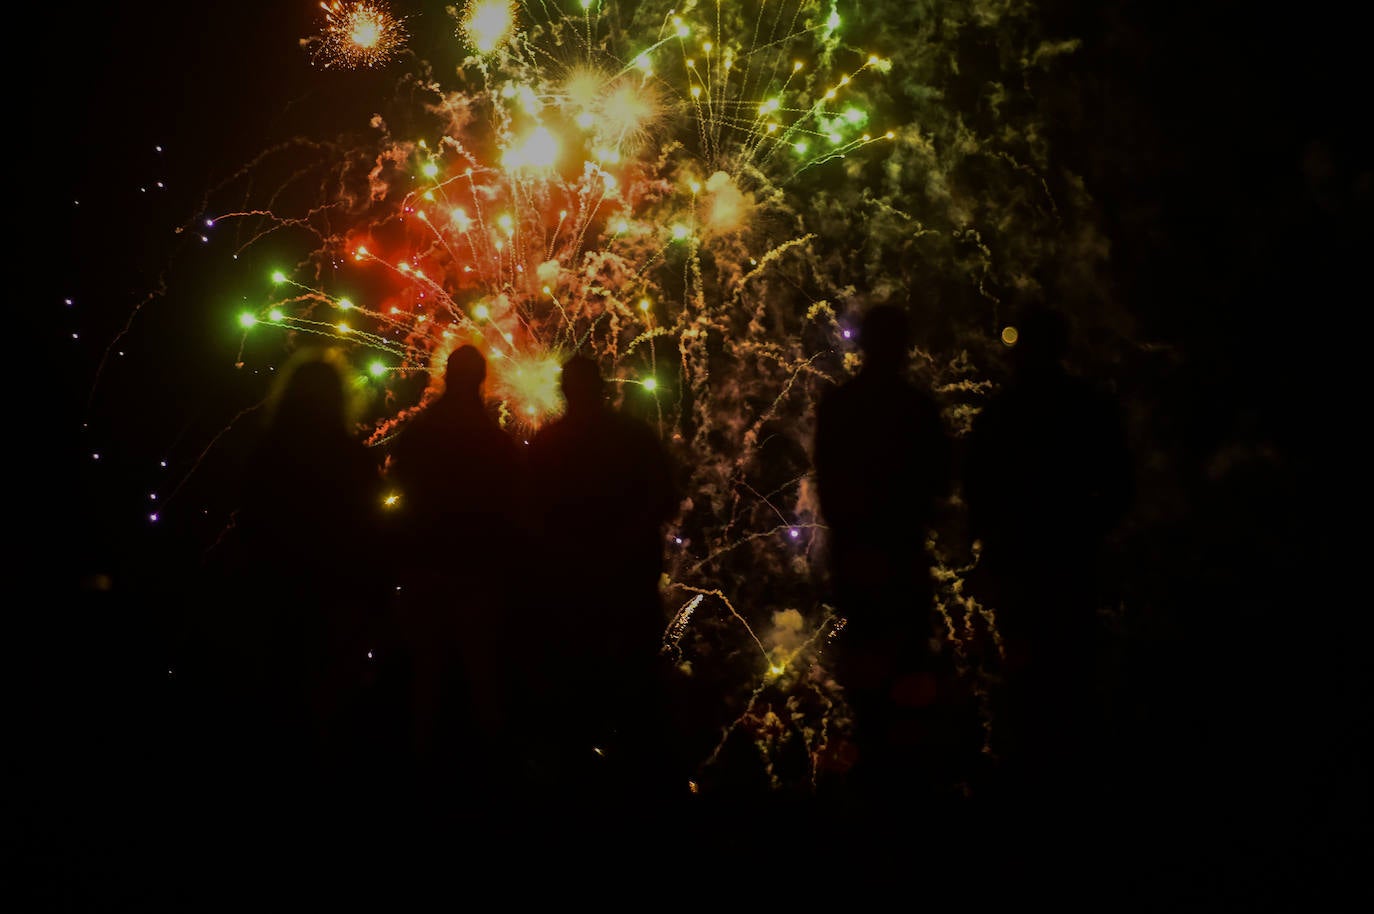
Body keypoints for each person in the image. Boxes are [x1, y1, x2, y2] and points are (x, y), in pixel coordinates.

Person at [962, 305, 1133, 803]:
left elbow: (976, 487)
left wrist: (991, 543)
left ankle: (1034, 785)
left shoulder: (1004, 413)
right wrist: (1088, 528)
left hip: (1027, 563)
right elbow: (1120, 485)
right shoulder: (1087, 407)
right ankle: (1067, 785)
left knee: (1028, 674)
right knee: (1067, 671)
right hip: (1067, 562)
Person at [813, 302, 955, 811]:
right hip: (901, 554)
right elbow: (941, 480)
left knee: (866, 673)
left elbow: (827, 486)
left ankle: (874, 779)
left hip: (857, 555)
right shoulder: (916, 408)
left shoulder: (839, 406)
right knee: (909, 668)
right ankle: (908, 785)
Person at [225, 347, 386, 790]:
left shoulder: (267, 455)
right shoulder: (352, 459)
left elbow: (250, 524)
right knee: (330, 702)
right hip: (334, 597)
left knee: (278, 695)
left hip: (277, 594)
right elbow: (373, 533)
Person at [524, 354, 679, 810]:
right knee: (636, 690)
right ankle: (641, 793)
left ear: (566, 391)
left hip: (571, 589)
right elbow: (665, 498)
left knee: (576, 692)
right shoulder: (634, 437)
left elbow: (530, 516)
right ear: (603, 388)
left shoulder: (550, 444)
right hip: (628, 581)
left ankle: (579, 796)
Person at [385, 344, 524, 794]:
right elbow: (511, 504)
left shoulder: (422, 429)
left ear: (447, 374)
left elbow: (400, 485)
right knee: (482, 673)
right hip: (477, 569)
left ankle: (417, 773)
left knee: (425, 673)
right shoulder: (493, 438)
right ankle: (491, 779)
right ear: (482, 379)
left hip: (426, 562)